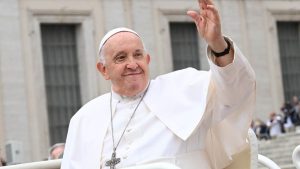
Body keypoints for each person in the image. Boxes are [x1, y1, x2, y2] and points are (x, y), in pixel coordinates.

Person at [61, 0, 255, 168]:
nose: (132, 64)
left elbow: (237, 89)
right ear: (103, 70)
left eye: (138, 55)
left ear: (148, 59)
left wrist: (217, 44)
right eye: (121, 58)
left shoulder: (184, 88)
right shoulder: (84, 119)